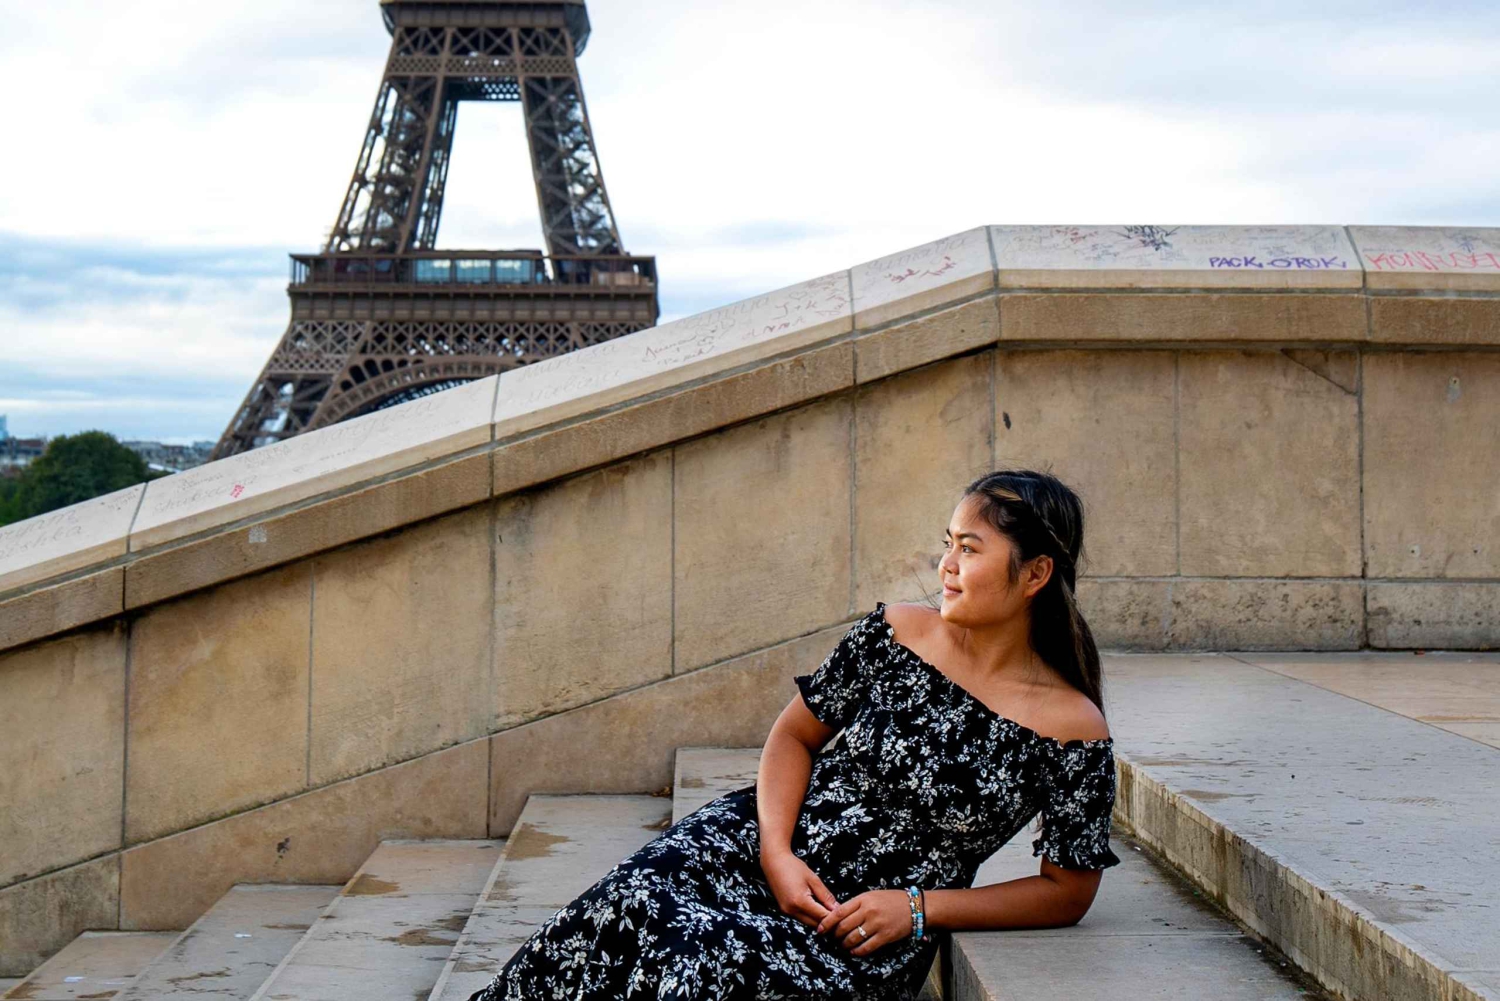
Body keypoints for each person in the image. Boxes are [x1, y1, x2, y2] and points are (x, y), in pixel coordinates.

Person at [467, 469, 1122, 1000]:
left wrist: (920, 909)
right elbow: (794, 735)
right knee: (638, 892)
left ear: (1034, 574)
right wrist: (777, 852)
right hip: (761, 843)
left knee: (702, 968)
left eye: (970, 548)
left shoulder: (1070, 728)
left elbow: (1067, 889)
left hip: (858, 917)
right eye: (948, 541)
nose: (945, 563)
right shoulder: (897, 631)